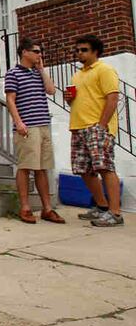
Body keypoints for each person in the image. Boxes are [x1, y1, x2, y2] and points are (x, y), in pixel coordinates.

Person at [65, 35, 124, 227]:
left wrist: (102, 125)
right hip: (78, 127)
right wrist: (68, 99)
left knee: (105, 167)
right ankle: (102, 206)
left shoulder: (105, 70)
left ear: (95, 51)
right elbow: (81, 99)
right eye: (77, 50)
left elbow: (113, 98)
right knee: (84, 170)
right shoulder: (77, 74)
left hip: (97, 127)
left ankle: (115, 214)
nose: (79, 53)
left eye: (84, 50)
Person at [4, 38, 64, 224]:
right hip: (27, 126)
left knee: (43, 168)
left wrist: (41, 70)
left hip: (43, 124)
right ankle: (25, 207)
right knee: (25, 166)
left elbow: (51, 90)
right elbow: (10, 99)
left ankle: (47, 209)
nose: (40, 55)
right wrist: (19, 122)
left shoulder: (38, 73)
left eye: (40, 52)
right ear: (24, 52)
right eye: (36, 51)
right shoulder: (13, 73)